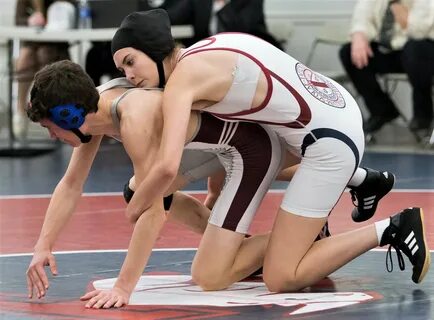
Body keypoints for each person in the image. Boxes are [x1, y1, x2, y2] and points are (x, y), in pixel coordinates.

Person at [110, 9, 431, 293]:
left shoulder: (182, 83)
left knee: (281, 277)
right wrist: (214, 197)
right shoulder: (205, 50)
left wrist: (134, 207)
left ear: (153, 48)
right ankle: (360, 180)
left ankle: (391, 228)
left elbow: (167, 166)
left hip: (328, 142)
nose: (129, 75)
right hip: (326, 114)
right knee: (254, 152)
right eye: (122, 69)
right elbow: (229, 141)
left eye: (130, 62)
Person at [24, 60, 301, 305]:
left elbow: (154, 213)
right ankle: (238, 248)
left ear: (70, 116)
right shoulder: (93, 106)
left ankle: (303, 235)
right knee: (137, 192)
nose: (51, 136)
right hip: (211, 148)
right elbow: (72, 184)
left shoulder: (134, 119)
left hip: (246, 149)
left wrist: (123, 287)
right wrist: (43, 246)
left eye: (49, 127)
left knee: (209, 275)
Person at [339, 0, 434, 134]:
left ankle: (423, 115)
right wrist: (359, 36)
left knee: (415, 49)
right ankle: (382, 110)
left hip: (420, 53)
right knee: (348, 52)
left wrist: (397, 6)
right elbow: (361, 17)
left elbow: (419, 30)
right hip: (388, 51)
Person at [13, 0, 74, 140]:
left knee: (44, 54)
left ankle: (51, 109)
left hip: (56, 44)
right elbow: (18, 21)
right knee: (24, 59)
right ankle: (20, 110)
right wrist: (30, 21)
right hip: (31, 41)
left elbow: (71, 17)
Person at [164, 0, 283, 49]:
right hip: (205, 53)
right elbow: (171, 16)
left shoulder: (249, 2)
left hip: (245, 51)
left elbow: (243, 29)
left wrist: (223, 4)